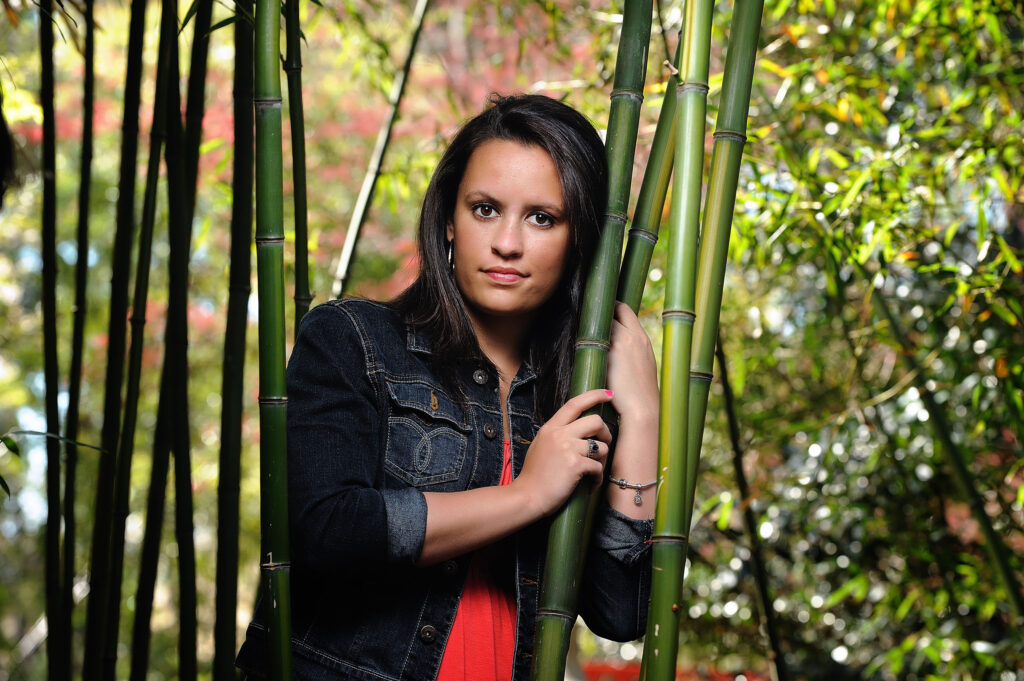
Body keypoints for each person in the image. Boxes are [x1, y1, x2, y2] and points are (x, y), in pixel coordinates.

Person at [236, 93, 660, 681]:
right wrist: (526, 495)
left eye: (542, 217)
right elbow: (325, 532)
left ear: (578, 241)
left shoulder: (573, 397)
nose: (507, 242)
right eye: (485, 209)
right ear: (448, 222)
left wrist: (640, 414)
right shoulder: (354, 340)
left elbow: (621, 611)